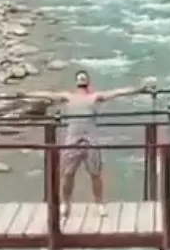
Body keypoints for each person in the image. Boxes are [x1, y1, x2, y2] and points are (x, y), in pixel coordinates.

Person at [29, 70, 157, 220]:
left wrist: (139, 89)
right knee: (68, 174)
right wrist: (28, 94)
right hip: (73, 139)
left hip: (91, 139)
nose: (82, 79)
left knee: (95, 174)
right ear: (77, 82)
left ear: (88, 82)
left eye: (84, 77)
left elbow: (117, 93)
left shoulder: (95, 97)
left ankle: (99, 204)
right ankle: (65, 203)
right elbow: (48, 95)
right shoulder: (68, 97)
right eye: (79, 77)